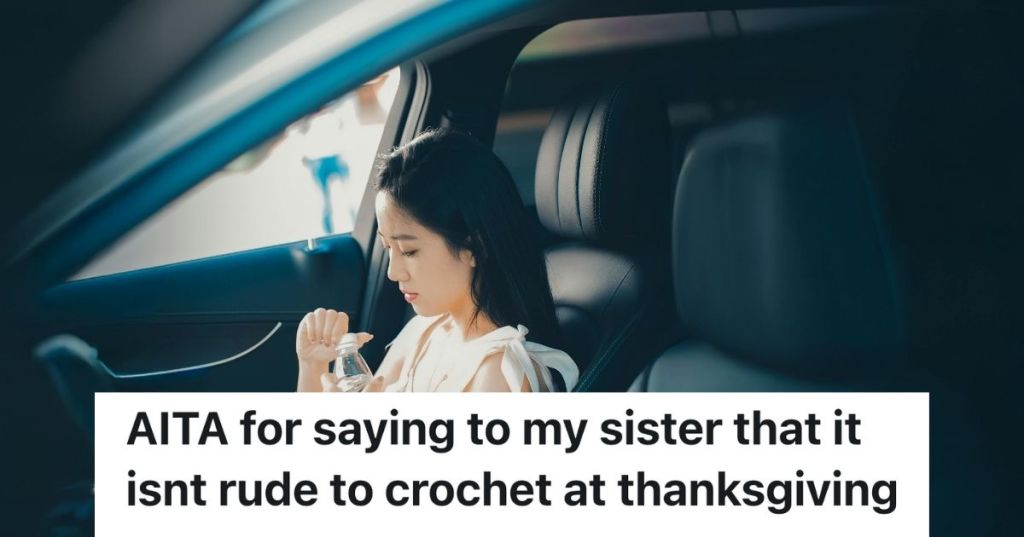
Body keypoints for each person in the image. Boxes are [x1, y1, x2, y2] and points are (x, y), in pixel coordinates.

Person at [295, 128, 578, 392]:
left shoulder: (498, 376)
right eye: (387, 247)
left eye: (408, 251)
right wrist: (312, 365)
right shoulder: (423, 332)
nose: (393, 273)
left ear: (474, 247)